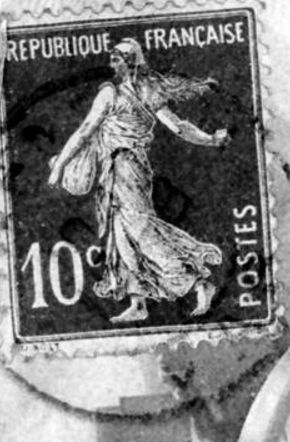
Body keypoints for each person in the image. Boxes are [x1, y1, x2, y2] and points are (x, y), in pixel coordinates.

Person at [46, 38, 229, 324]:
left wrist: (210, 139)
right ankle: (138, 300)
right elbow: (85, 132)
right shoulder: (128, 92)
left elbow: (177, 127)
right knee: (120, 235)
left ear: (130, 61)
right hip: (116, 169)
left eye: (116, 58)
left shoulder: (123, 94)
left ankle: (195, 282)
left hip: (127, 167)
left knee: (140, 230)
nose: (111, 63)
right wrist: (212, 140)